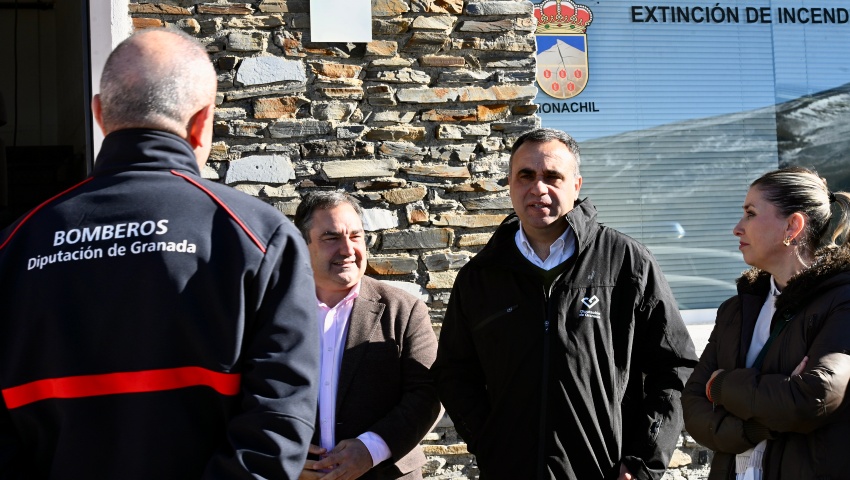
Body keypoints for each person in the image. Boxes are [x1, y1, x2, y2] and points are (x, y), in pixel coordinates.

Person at [0, 29, 319, 479]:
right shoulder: (258, 237)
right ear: (202, 121)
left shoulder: (16, 245)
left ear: (99, 115)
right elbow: (277, 425)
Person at [432, 128, 698, 480]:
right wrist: (489, 441)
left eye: (552, 176)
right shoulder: (481, 276)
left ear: (576, 185)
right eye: (525, 175)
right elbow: (454, 373)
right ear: (510, 184)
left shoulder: (626, 262)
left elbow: (675, 367)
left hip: (604, 471)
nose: (538, 188)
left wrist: (642, 461)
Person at [682, 167, 850, 479]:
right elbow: (693, 408)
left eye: (750, 213)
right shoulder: (736, 310)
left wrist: (720, 385)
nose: (737, 228)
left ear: (793, 226)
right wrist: (759, 422)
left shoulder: (842, 301)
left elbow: (814, 396)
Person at [293, 191, 441, 480]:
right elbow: (244, 393)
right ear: (303, 244)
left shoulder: (404, 309)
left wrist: (370, 449)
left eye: (356, 236)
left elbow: (429, 393)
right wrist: (281, 453)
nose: (348, 249)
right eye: (331, 237)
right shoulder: (271, 311)